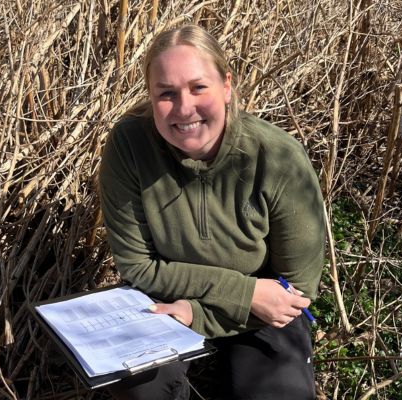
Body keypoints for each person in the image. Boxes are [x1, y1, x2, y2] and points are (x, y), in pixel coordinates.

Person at [99, 24, 325, 400]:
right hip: (166, 297)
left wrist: (201, 312)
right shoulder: (129, 145)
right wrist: (238, 292)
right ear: (151, 97)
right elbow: (138, 267)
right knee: (141, 388)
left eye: (198, 87)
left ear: (226, 85)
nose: (184, 108)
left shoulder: (278, 157)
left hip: (263, 308)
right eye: (166, 93)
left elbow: (295, 291)